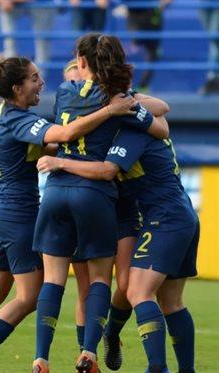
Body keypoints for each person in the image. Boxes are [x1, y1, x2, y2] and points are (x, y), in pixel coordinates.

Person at [0, 54, 138, 373]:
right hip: (17, 213)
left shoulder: (3, 113)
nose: (42, 83)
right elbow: (63, 136)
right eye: (35, 78)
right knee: (29, 296)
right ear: (17, 87)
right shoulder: (20, 119)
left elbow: (52, 145)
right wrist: (109, 110)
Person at [31, 33, 170, 373]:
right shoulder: (116, 103)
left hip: (63, 194)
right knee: (96, 282)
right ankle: (88, 352)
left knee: (61, 281)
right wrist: (118, 105)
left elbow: (62, 134)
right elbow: (161, 116)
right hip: (95, 197)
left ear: (82, 64)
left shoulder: (63, 94)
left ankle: (43, 357)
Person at [37, 107, 197, 373]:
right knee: (169, 301)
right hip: (179, 213)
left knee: (136, 291)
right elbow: (160, 110)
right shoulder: (140, 117)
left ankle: (155, 367)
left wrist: (60, 162)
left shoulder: (130, 131)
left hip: (164, 217)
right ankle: (182, 368)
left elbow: (108, 170)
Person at [63, 59, 171, 369]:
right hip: (85, 204)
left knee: (125, 285)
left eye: (82, 80)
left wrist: (126, 101)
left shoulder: (119, 105)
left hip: (122, 207)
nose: (79, 89)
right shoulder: (69, 118)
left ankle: (111, 332)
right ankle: (87, 356)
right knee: (86, 289)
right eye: (72, 83)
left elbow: (163, 113)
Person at [122, 0, 172, 91]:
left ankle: (142, 86)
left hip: (152, 17)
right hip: (135, 15)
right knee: (135, 48)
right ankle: (125, 86)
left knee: (153, 53)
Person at [0, 0, 56, 77]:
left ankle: (39, 77)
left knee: (42, 42)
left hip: (42, 5)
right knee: (5, 11)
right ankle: (9, 66)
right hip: (16, 5)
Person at [199, 1, 219, 94]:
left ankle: (212, 77)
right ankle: (213, 78)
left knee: (214, 36)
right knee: (212, 39)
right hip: (204, 4)